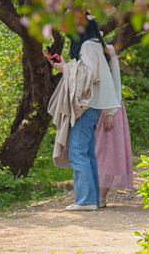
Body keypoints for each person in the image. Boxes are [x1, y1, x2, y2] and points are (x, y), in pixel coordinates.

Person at [50, 16, 122, 211]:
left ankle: (86, 200)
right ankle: (93, 199)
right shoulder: (97, 44)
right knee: (88, 153)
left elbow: (88, 74)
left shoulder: (88, 46)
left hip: (87, 106)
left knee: (77, 151)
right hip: (95, 106)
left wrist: (64, 68)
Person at [95, 37, 134, 208]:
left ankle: (101, 197)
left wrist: (109, 111)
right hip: (93, 107)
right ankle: (93, 195)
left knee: (108, 153)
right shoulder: (84, 49)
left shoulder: (107, 50)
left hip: (110, 106)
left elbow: (114, 82)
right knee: (94, 153)